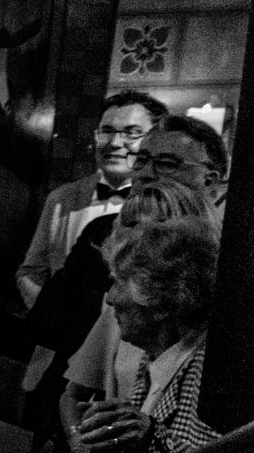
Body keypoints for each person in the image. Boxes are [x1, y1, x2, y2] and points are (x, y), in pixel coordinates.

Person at [15, 91, 170, 396]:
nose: (114, 143)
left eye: (131, 132)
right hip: (58, 359)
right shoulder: (62, 197)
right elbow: (30, 272)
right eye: (107, 131)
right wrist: (60, 321)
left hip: (131, 364)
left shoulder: (163, 208)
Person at [59, 176, 222, 441]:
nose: (110, 298)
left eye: (157, 225)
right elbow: (73, 395)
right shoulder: (149, 345)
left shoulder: (206, 370)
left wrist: (144, 440)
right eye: (131, 222)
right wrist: (84, 447)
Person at [70, 217, 222, 453]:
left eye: (120, 282)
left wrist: (149, 437)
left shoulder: (209, 376)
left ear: (162, 301)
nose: (110, 297)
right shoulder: (154, 359)